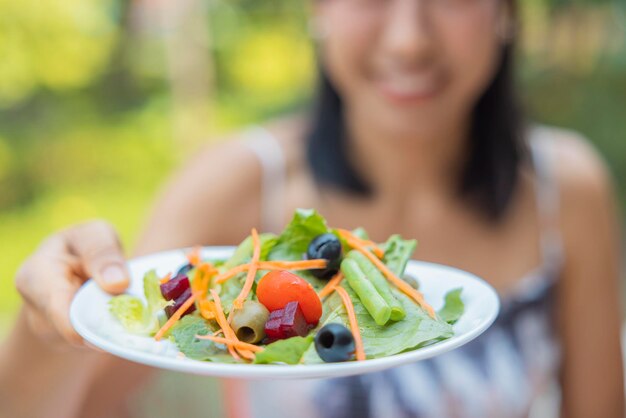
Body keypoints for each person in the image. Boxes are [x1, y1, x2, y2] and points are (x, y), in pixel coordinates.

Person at [1, 0, 623, 417]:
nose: (409, 39)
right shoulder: (234, 184)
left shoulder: (565, 191)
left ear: (507, 13)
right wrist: (46, 331)